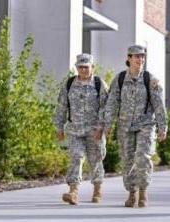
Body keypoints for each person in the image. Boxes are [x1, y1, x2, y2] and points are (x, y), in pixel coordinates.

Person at [104, 45, 167, 208]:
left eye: (142, 57)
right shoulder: (119, 79)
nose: (140, 59)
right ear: (129, 58)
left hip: (146, 125)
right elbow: (111, 103)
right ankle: (132, 193)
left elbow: (159, 105)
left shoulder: (150, 79)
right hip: (125, 126)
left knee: (142, 157)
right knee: (127, 160)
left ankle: (143, 193)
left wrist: (162, 127)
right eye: (137, 56)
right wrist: (108, 124)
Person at [54, 53, 108, 205]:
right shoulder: (69, 84)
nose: (83, 70)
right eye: (80, 67)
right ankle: (74, 192)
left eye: (86, 67)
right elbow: (61, 107)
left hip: (94, 131)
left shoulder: (99, 84)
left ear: (93, 67)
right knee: (76, 157)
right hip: (74, 130)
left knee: (96, 160)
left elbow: (106, 108)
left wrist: (101, 127)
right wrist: (59, 127)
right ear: (76, 68)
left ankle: (97, 189)